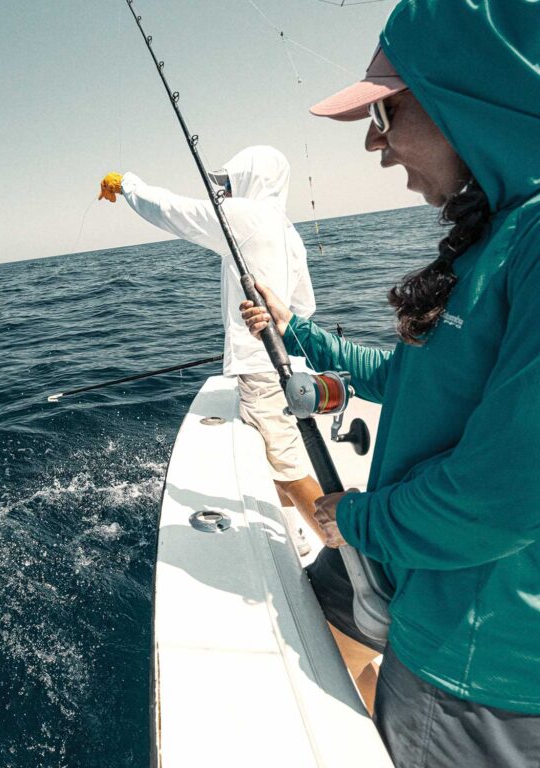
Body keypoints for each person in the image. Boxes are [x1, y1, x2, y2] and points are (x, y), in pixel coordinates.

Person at [241, 1, 540, 763]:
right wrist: (295, 331)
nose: (379, 150)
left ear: (464, 98)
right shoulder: (500, 240)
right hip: (430, 605)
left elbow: (502, 496)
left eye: (387, 117)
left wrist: (359, 519)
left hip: (474, 672)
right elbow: (412, 379)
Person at [98, 146, 323, 553]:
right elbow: (304, 308)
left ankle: (348, 556)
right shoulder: (288, 230)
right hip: (293, 362)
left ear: (253, 180)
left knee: (288, 468)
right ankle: (298, 533)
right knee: (280, 454)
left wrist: (127, 184)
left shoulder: (245, 217)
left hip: (262, 367)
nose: (224, 192)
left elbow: (169, 210)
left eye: (230, 182)